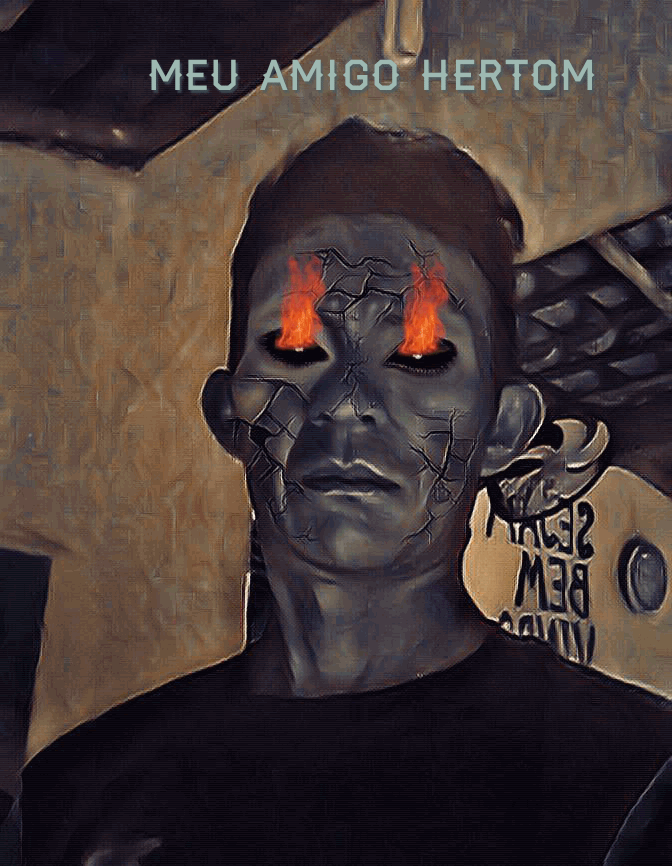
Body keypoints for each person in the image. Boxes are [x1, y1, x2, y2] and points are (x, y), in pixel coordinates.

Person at [20, 119, 672, 866]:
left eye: (421, 354)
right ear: (230, 413)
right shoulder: (73, 797)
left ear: (501, 427)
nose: (347, 401)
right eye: (294, 346)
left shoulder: (636, 789)